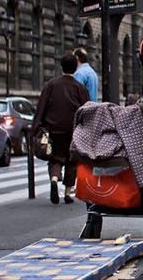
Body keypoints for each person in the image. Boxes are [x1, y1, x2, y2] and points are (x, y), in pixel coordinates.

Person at [32, 53, 90, 205]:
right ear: (75, 68)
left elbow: (41, 107)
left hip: (53, 129)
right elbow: (86, 109)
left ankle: (54, 179)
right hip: (73, 130)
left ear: (61, 67)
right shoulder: (80, 88)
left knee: (55, 158)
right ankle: (67, 193)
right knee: (71, 160)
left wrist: (36, 128)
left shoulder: (51, 85)